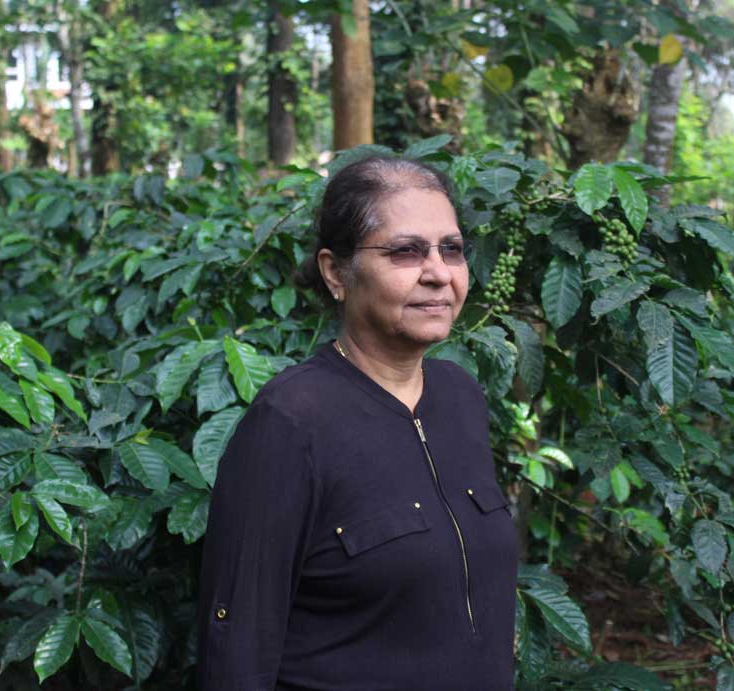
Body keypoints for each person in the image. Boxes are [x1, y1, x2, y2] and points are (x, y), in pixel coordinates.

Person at [196, 156, 519, 691]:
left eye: (452, 249)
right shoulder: (290, 422)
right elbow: (237, 645)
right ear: (335, 272)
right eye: (406, 251)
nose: (438, 272)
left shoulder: (461, 397)